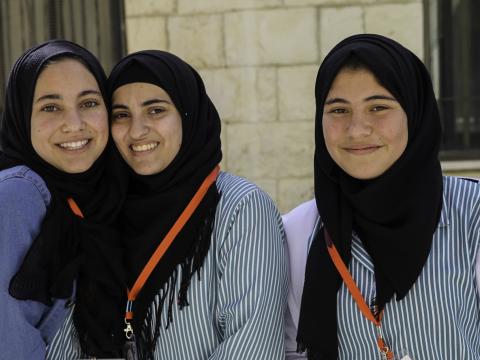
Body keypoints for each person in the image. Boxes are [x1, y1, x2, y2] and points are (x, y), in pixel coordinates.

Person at [284, 34, 480, 360]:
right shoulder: (299, 233)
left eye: (378, 107)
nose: (357, 129)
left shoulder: (471, 214)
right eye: (338, 110)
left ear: (414, 113)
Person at [105, 50, 288, 359]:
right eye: (121, 115)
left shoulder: (240, 209)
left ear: (188, 114)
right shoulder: (105, 212)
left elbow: (252, 347)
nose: (136, 131)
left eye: (156, 111)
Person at [0, 40, 126, 359]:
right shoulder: (16, 195)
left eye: (89, 103)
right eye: (50, 107)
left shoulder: (107, 196)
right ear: (21, 115)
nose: (74, 124)